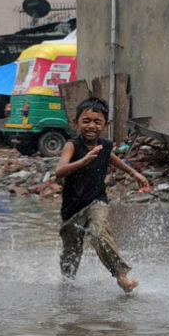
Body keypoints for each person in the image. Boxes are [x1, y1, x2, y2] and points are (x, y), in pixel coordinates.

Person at [55, 97, 150, 292]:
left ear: (106, 124)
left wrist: (134, 173)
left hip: (97, 200)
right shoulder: (72, 146)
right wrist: (83, 161)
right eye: (86, 121)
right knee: (71, 255)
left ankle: (121, 275)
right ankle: (67, 290)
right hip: (72, 208)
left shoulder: (105, 146)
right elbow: (60, 170)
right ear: (76, 123)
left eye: (97, 122)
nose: (91, 126)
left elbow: (112, 159)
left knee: (99, 233)